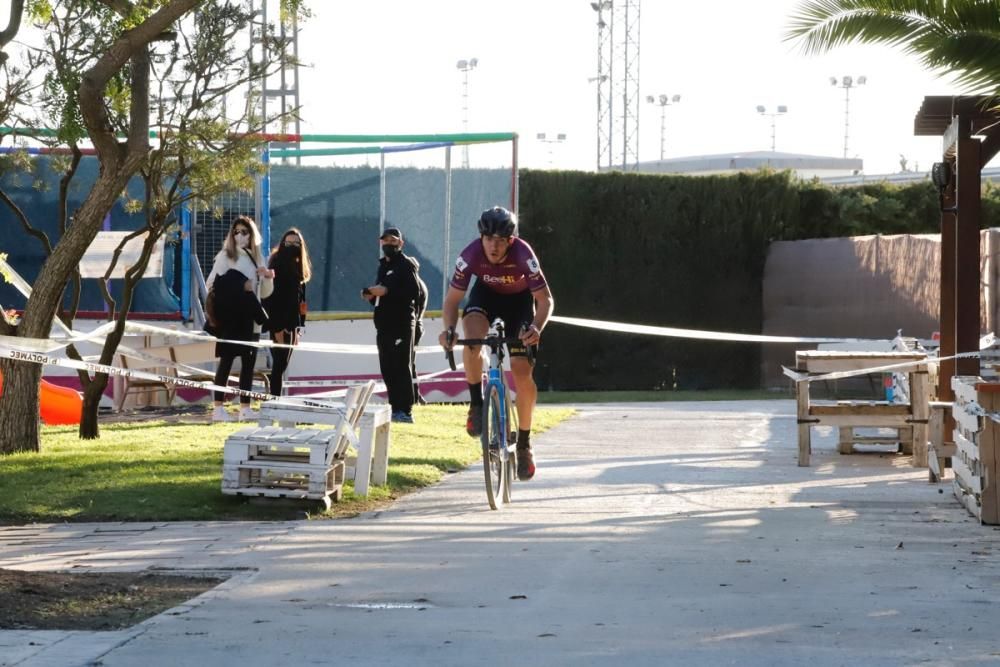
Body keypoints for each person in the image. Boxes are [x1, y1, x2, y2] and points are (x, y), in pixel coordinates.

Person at [438, 206, 553, 481]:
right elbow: (452, 301)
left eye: (500, 240)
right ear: (481, 238)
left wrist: (536, 327)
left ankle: (524, 444)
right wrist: (450, 330)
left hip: (519, 303)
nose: (493, 245)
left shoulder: (524, 254)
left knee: (522, 370)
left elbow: (546, 300)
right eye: (488, 239)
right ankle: (477, 403)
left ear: (510, 241)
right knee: (472, 342)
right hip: (485, 296)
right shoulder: (470, 255)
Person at [206, 215, 274, 422]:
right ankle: (218, 408)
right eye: (236, 232)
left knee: (248, 363)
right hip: (231, 318)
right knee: (226, 362)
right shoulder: (225, 256)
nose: (239, 236)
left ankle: (245, 407)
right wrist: (240, 285)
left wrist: (268, 277)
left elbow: (264, 293)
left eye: (244, 232)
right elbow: (213, 284)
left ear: (252, 234)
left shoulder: (257, 257)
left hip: (250, 318)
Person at [361, 226, 422, 423]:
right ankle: (394, 406)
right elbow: (380, 294)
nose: (389, 244)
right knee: (387, 367)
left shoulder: (406, 265)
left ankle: (405, 410)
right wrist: (370, 295)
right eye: (385, 241)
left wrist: (387, 291)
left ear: (401, 243)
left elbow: (414, 292)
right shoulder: (383, 266)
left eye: (393, 241)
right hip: (383, 325)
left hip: (401, 324)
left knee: (401, 367)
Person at [263, 227, 312, 398]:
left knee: (282, 364)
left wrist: (299, 327)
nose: (291, 246)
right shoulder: (277, 263)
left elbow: (300, 302)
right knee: (279, 364)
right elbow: (271, 299)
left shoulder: (298, 266)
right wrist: (277, 328)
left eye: (295, 243)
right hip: (279, 322)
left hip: (292, 322)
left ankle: (276, 399)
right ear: (283, 243)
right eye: (288, 242)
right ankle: (274, 400)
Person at [412, 271, 429, 405]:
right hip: (418, 325)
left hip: (413, 327)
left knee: (408, 362)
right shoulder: (421, 284)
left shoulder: (415, 285)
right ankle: (415, 394)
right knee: (410, 362)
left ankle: (415, 395)